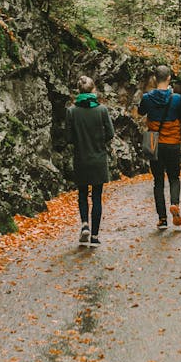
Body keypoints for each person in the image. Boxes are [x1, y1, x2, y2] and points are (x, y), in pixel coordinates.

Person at [66, 76, 114, 247]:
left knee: (82, 194)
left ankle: (85, 223)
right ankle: (94, 236)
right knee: (97, 197)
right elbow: (110, 134)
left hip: (81, 159)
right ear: (93, 90)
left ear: (79, 92)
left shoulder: (72, 111)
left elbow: (69, 138)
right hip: (98, 158)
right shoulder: (102, 110)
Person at [138, 65, 181, 229]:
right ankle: (175, 203)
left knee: (158, 181)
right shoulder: (177, 98)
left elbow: (140, 111)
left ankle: (162, 219)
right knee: (174, 177)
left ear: (154, 79)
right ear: (169, 78)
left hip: (153, 141)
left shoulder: (147, 97)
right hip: (172, 142)